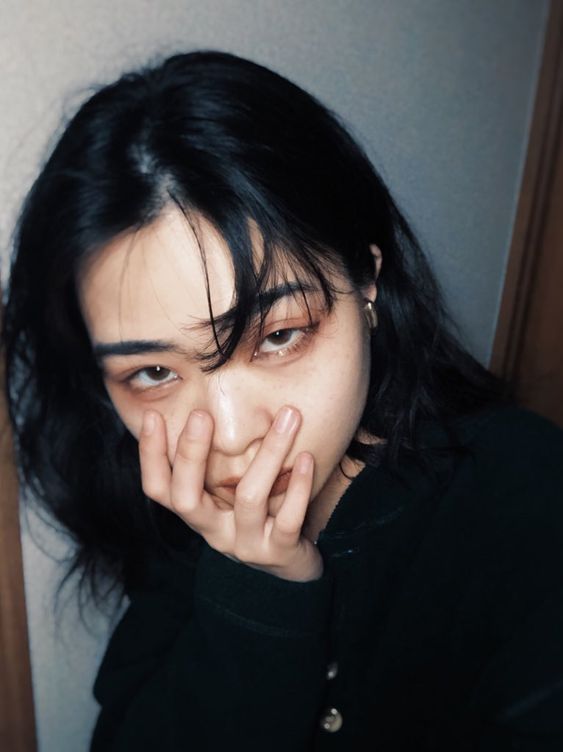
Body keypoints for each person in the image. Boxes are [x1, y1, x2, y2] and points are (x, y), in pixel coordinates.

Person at [3, 50, 563, 751]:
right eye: (151, 373)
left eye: (279, 335)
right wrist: (257, 590)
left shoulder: (530, 505)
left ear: (365, 280)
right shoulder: (177, 505)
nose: (231, 438)